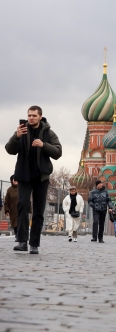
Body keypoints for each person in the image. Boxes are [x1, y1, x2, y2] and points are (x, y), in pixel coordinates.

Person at [5, 106, 63, 254]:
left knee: (38, 210)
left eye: (34, 116)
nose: (31, 118)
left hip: (41, 177)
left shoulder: (49, 133)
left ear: (40, 117)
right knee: (23, 205)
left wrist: (44, 145)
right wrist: (16, 137)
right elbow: (9, 149)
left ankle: (34, 244)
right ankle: (22, 241)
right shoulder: (22, 131)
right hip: (24, 176)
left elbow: (58, 152)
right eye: (29, 115)